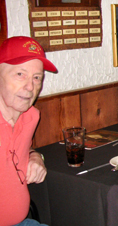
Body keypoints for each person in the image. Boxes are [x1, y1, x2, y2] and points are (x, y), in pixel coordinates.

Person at [0, 36, 56, 225]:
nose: (30, 87)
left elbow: (18, 150)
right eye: (20, 74)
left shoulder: (30, 116)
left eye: (36, 77)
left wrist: (34, 157)